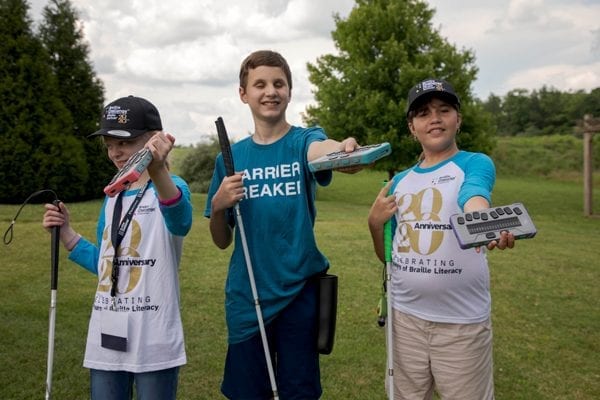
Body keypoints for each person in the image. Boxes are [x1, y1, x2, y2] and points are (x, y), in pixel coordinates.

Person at [204, 49, 361, 400]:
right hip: (248, 297)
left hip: (299, 295)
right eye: (259, 84)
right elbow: (220, 240)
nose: (270, 91)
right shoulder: (229, 159)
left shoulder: (302, 141)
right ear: (243, 93)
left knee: (298, 392)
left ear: (290, 91)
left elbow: (323, 150)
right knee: (249, 393)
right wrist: (217, 207)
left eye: (279, 83)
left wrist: (343, 150)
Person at [368, 78, 515, 400]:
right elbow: (387, 258)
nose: (434, 118)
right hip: (404, 319)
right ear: (412, 126)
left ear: (457, 120)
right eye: (423, 113)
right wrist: (374, 224)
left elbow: (473, 193)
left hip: (461, 323)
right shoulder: (398, 182)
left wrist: (482, 222)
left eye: (444, 110)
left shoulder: (474, 162)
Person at [42, 95, 193, 400]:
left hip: (153, 332)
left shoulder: (171, 185)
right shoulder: (112, 196)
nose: (115, 153)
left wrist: (159, 168)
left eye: (124, 143)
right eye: (109, 145)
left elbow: (180, 221)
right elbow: (107, 264)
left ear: (154, 140)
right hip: (108, 328)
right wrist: (67, 233)